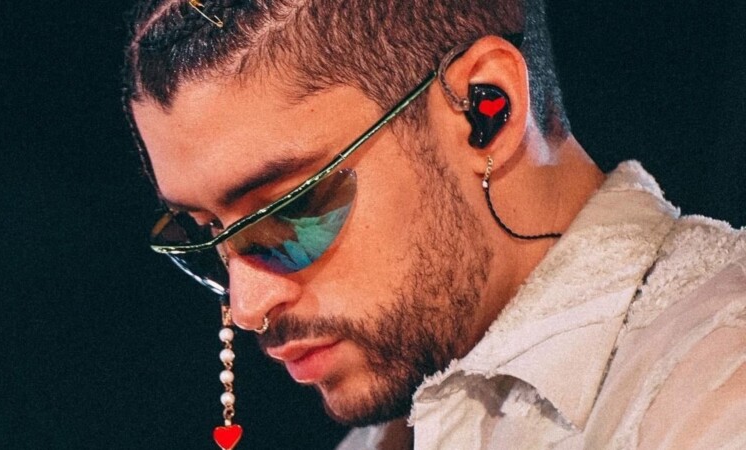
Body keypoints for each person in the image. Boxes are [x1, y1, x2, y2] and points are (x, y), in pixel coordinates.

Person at [123, 0, 746, 448]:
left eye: (288, 210)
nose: (248, 306)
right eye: (205, 235)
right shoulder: (396, 422)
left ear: (484, 110)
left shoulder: (720, 389)